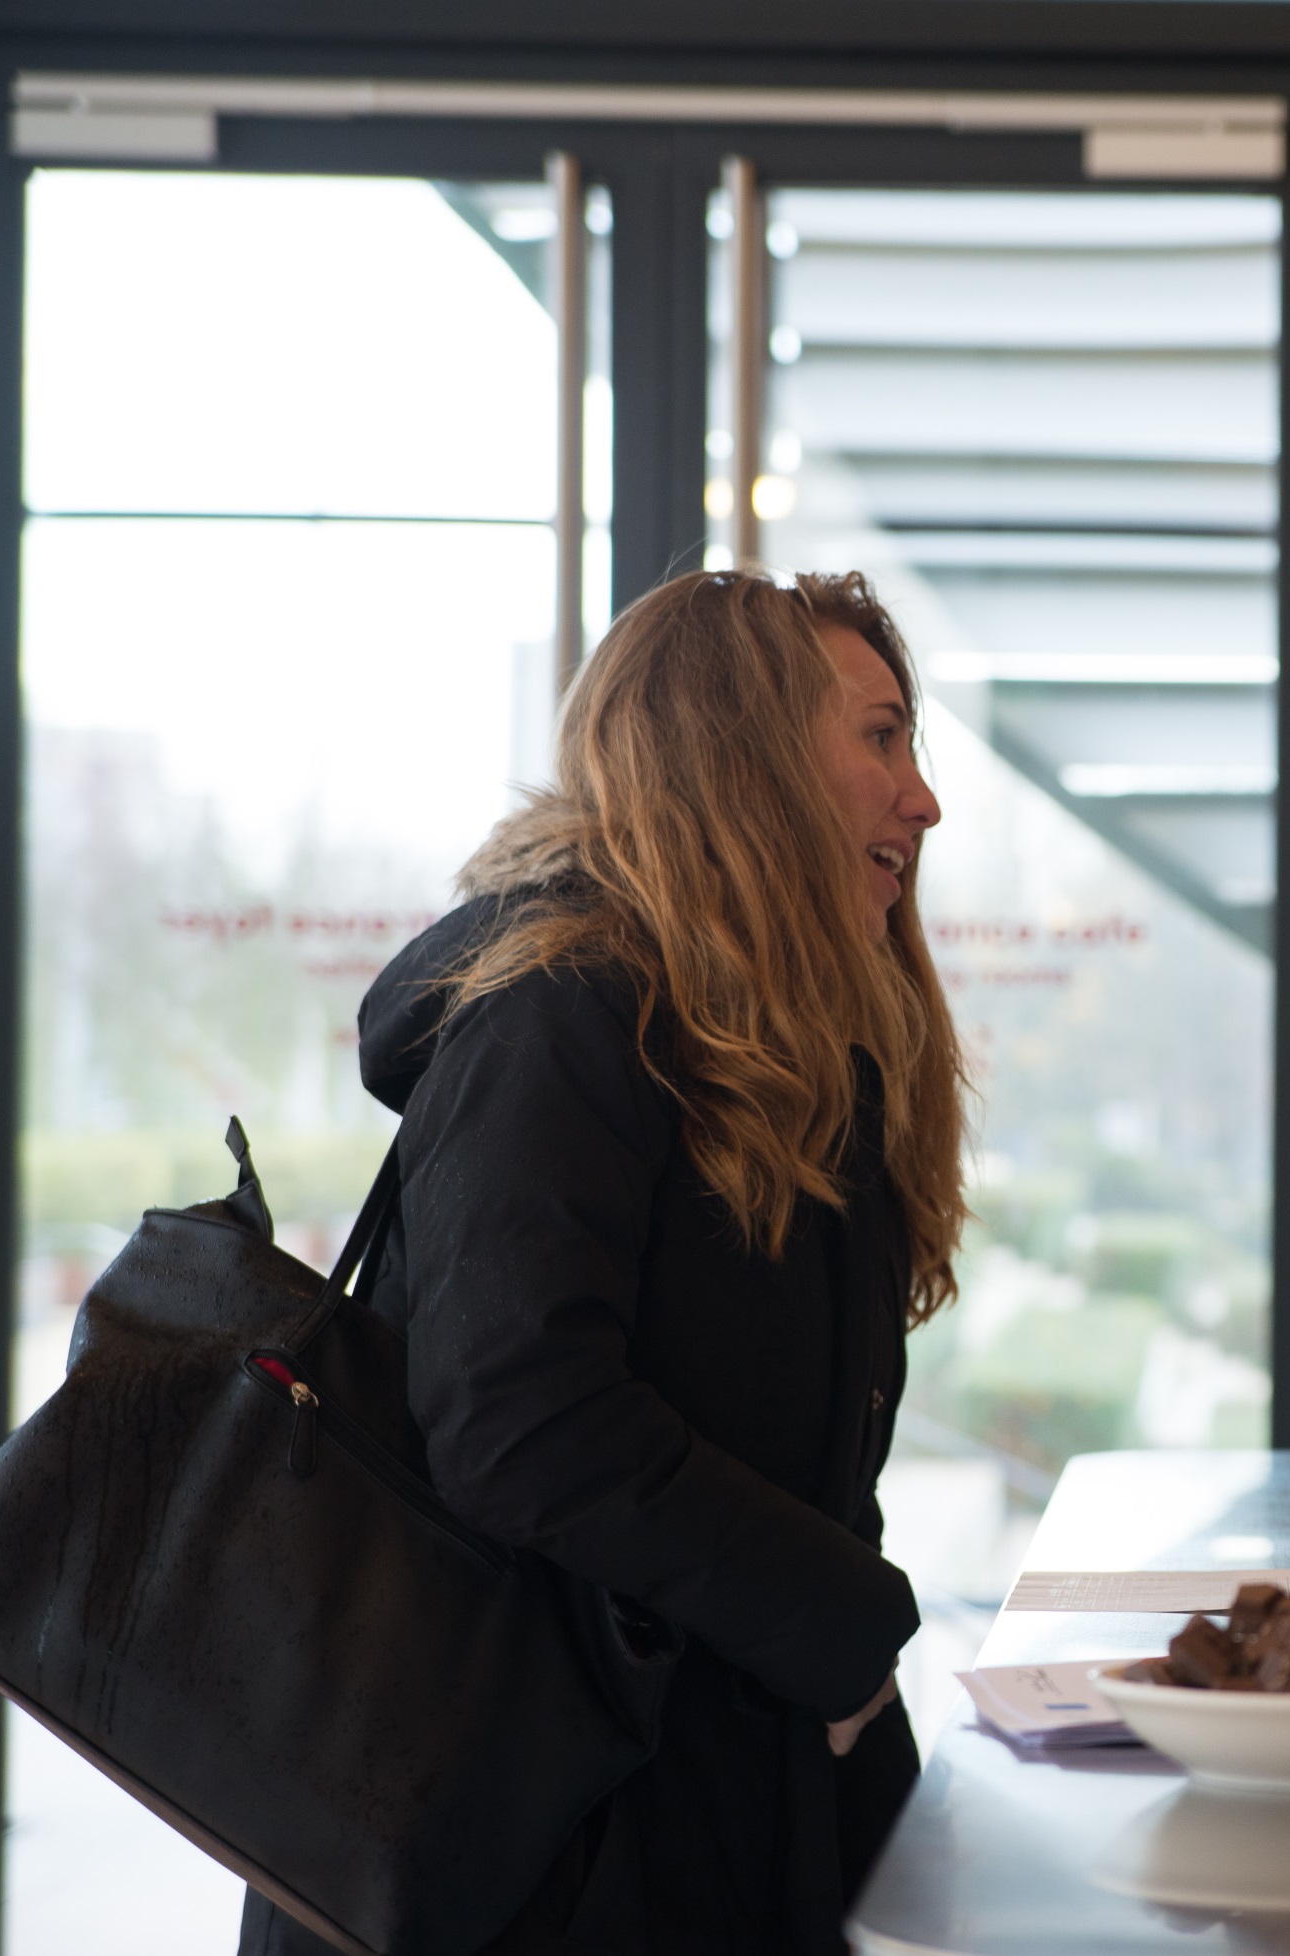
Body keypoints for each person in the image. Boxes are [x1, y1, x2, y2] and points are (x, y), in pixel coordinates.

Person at [238, 571, 969, 1955]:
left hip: (682, 1815)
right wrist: (845, 1623)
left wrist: (856, 1723)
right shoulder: (562, 1010)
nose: (921, 799)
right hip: (524, 1864)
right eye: (880, 737)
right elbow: (522, 1422)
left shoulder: (769, 1054)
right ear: (741, 753)